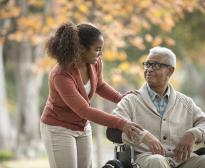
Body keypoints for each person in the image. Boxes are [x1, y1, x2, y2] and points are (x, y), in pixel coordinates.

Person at [40, 22, 142, 168]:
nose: (100, 53)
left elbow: (100, 85)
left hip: (82, 125)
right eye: (97, 49)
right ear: (81, 48)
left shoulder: (95, 62)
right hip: (58, 127)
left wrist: (121, 98)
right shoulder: (61, 75)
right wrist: (121, 124)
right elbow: (84, 110)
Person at [112, 46, 205, 168]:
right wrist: (143, 136)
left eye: (155, 65)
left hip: (183, 160)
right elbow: (115, 125)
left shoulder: (186, 103)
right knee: (157, 161)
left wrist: (193, 134)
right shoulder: (131, 100)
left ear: (170, 71)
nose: (149, 69)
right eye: (147, 64)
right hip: (146, 159)